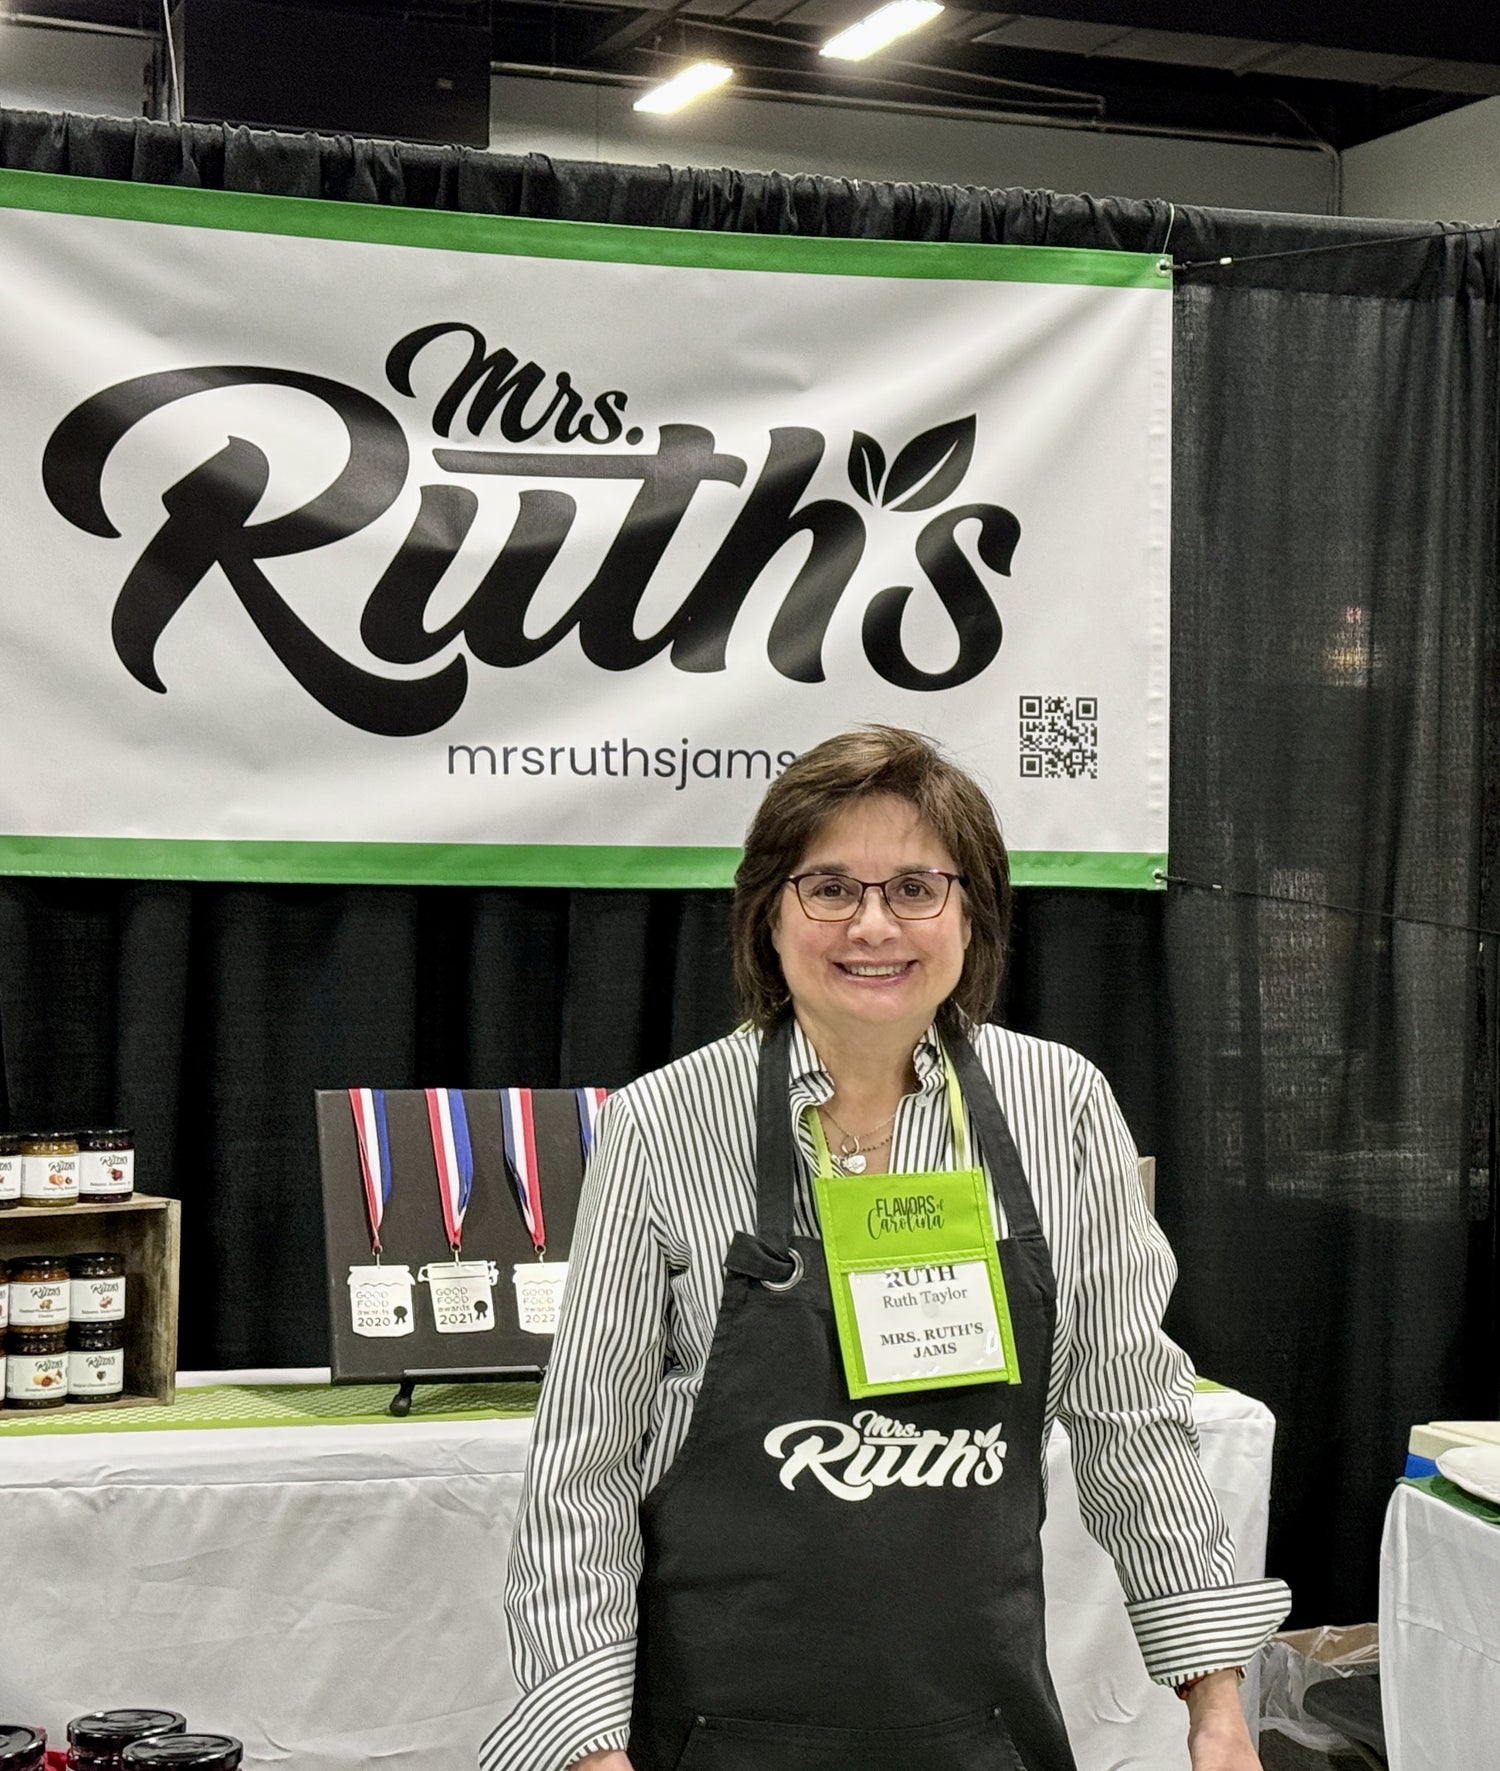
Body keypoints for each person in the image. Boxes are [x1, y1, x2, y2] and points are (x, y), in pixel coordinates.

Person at [482, 726, 1289, 1771]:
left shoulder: (1063, 1108)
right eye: (830, 888)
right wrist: (590, 1749)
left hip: (983, 1737)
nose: (873, 924)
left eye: (915, 887)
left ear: (971, 914)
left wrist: (1217, 1708)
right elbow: (581, 1471)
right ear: (768, 914)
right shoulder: (661, 1123)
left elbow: (1131, 1419)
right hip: (715, 1739)